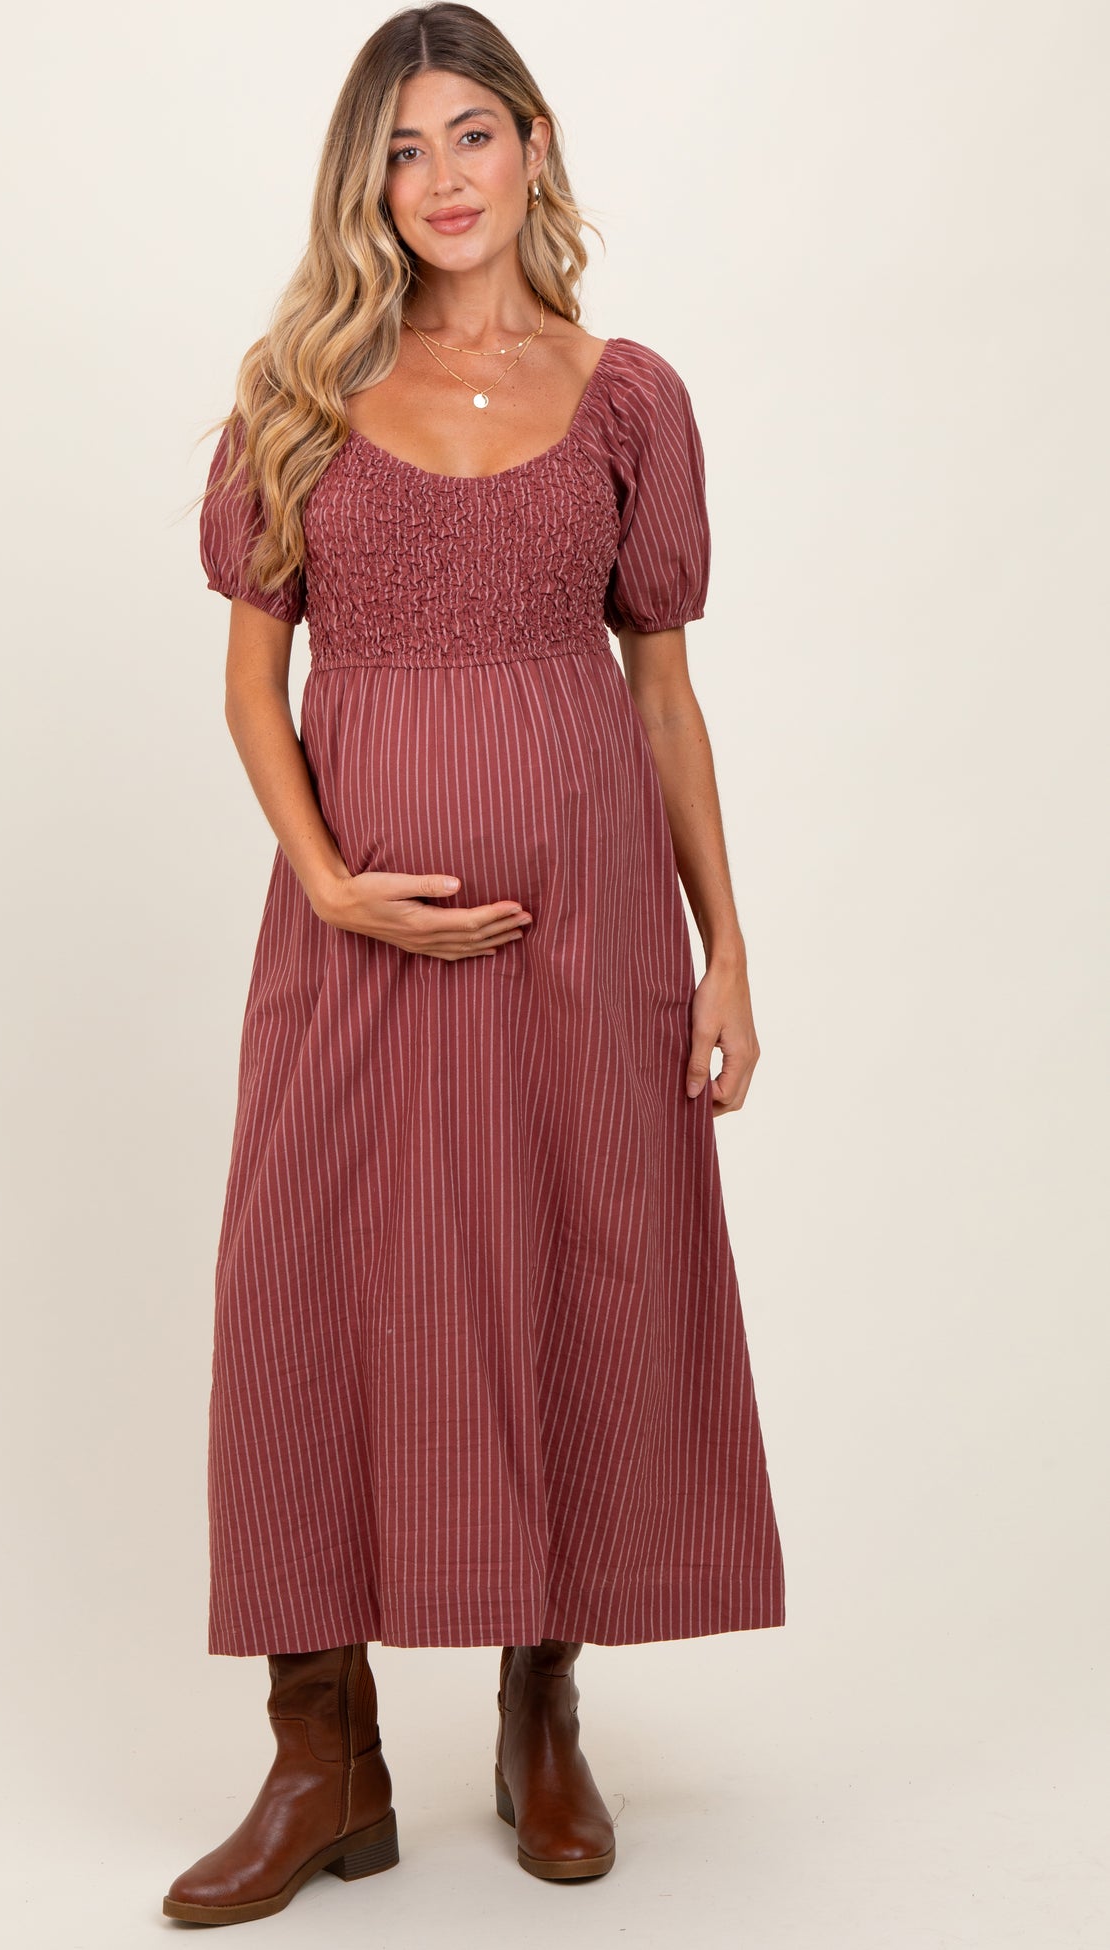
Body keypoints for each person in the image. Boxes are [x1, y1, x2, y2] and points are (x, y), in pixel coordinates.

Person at [164, 2, 786, 1925]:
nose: (440, 181)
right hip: (354, 940)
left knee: (571, 1269)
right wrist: (331, 883)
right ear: (366, 186)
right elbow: (252, 685)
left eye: (469, 137)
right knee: (307, 1286)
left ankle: (541, 1709)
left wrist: (727, 948)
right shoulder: (299, 389)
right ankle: (322, 1753)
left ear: (533, 144)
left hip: (590, 935)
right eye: (401, 151)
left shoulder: (626, 398)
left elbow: (662, 693)